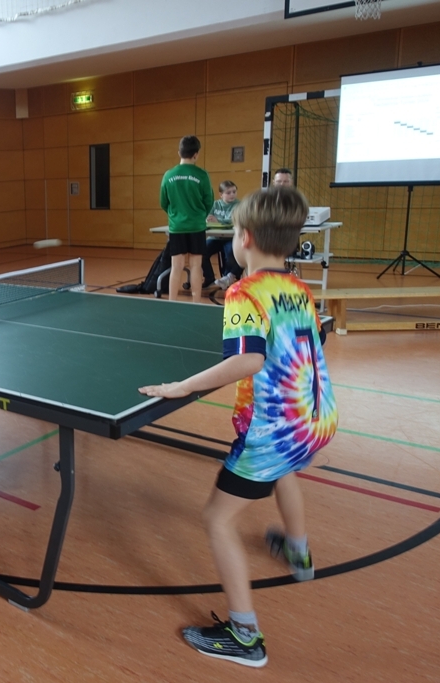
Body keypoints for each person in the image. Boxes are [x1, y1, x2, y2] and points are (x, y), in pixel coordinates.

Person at [139, 186, 338, 668]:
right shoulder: (299, 287)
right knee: (285, 472)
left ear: (244, 238)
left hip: (272, 430)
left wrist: (184, 386)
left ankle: (245, 636)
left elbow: (248, 359)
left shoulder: (244, 292)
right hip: (315, 418)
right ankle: (298, 552)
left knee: (217, 519)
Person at [159, 136, 213, 303]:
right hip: (197, 226)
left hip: (177, 227)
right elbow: (209, 201)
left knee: (176, 266)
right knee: (196, 265)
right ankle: (196, 303)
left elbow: (163, 202)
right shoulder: (202, 175)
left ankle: (172, 302)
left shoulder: (169, 175)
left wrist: (175, 215)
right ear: (196, 155)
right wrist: (199, 215)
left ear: (179, 153)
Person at [201, 180, 241, 291]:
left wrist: (218, 221)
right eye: (228, 193)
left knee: (230, 253)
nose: (232, 195)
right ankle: (209, 277)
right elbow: (208, 218)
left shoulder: (239, 205)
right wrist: (209, 220)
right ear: (221, 194)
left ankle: (227, 278)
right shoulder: (215, 204)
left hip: (231, 238)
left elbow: (234, 221)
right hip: (215, 237)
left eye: (234, 192)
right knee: (201, 252)